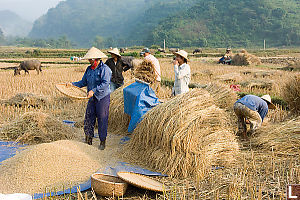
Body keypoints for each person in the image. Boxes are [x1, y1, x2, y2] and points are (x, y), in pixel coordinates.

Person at [69, 47, 112, 150]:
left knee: (102, 118)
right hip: (92, 97)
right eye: (89, 59)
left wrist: (93, 90)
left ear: (96, 59)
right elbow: (83, 82)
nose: (89, 61)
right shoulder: (89, 69)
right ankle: (88, 138)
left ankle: (102, 141)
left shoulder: (105, 69)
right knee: (89, 117)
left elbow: (105, 83)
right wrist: (72, 84)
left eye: (91, 59)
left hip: (102, 97)